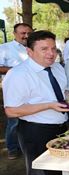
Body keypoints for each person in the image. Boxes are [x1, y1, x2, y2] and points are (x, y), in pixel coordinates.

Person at [3, 30, 69, 175]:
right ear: (29, 51)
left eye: (53, 48)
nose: (51, 53)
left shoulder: (57, 68)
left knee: (58, 172)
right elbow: (11, 111)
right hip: (34, 131)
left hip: (61, 127)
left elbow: (63, 92)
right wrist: (49, 105)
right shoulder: (18, 74)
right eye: (44, 49)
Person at [0, 23, 33, 160]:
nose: (26, 36)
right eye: (23, 33)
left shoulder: (34, 47)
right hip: (13, 88)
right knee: (14, 121)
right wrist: (18, 71)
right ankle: (12, 148)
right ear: (14, 33)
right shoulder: (5, 48)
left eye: (28, 33)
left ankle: (26, 146)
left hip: (33, 88)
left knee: (31, 117)